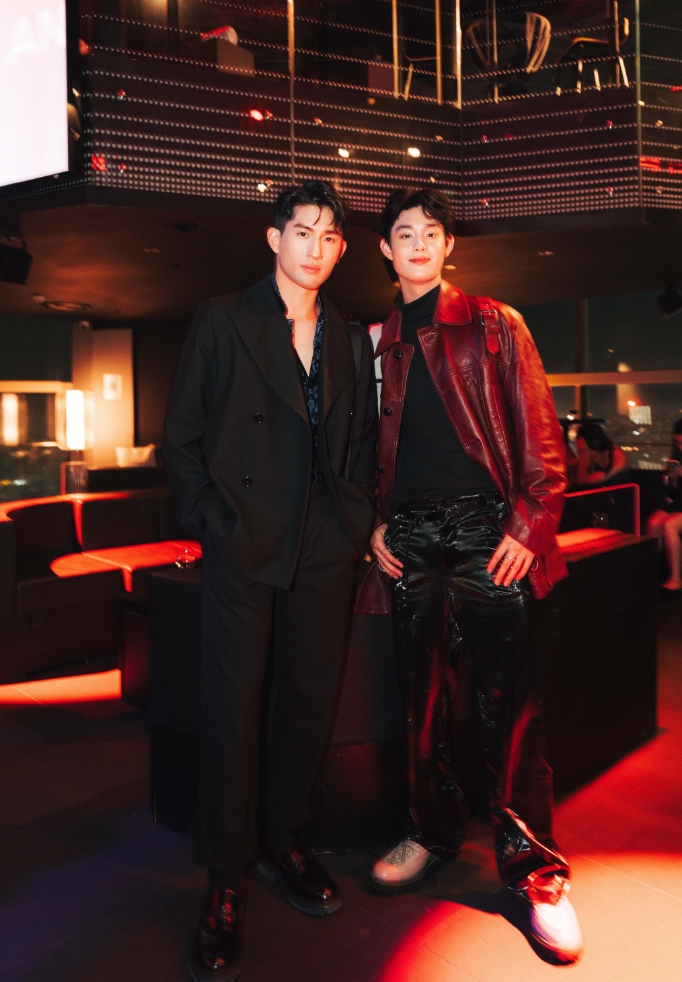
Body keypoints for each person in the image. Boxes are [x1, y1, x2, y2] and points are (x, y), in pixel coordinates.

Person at [356, 187, 583, 963]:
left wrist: (530, 524)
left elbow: (542, 435)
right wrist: (374, 525)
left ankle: (537, 874)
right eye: (404, 233)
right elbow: (364, 454)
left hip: (488, 531)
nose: (418, 243)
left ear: (448, 245)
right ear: (385, 249)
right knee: (419, 701)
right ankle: (431, 832)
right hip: (410, 536)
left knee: (507, 705)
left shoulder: (494, 323)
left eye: (431, 231)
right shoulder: (377, 342)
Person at [163, 180, 377, 982]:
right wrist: (215, 522)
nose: (315, 248)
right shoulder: (225, 318)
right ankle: (225, 874)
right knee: (234, 708)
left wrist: (354, 523)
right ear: (273, 237)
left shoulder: (350, 336)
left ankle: (284, 841)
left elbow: (360, 445)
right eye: (302, 231)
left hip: (324, 544)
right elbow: (180, 439)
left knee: (306, 703)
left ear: (341, 249)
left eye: (329, 236)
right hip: (245, 541)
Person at [646, 419, 682, 593]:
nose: (680, 447)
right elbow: (673, 496)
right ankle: (650, 575)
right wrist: (672, 480)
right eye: (678, 443)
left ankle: (675, 579)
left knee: (669, 525)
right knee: (653, 522)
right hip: (678, 505)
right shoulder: (678, 458)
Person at [575, 422, 629, 486]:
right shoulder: (594, 450)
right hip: (603, 489)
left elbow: (584, 481)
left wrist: (583, 453)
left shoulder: (618, 458)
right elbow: (582, 477)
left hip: (619, 490)